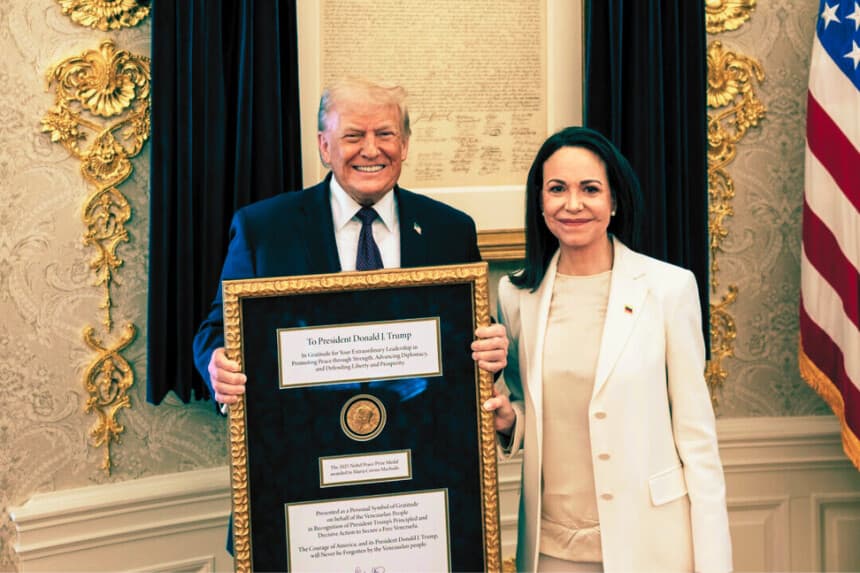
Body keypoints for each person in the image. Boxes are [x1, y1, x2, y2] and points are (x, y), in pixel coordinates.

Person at [483, 126, 732, 572]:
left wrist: (714, 563)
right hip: (551, 550)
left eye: (590, 189)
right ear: (540, 202)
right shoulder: (516, 295)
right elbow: (526, 405)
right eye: (557, 189)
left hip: (651, 543)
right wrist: (508, 420)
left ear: (614, 201)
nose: (572, 204)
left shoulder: (669, 288)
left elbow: (697, 440)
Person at [193, 77, 508, 405]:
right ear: (325, 146)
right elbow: (217, 330)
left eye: (385, 134)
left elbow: (469, 336)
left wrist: (491, 349)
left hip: (422, 435)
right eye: (354, 136)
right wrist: (217, 364)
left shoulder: (450, 230)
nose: (371, 150)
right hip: (303, 436)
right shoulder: (263, 230)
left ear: (405, 144)